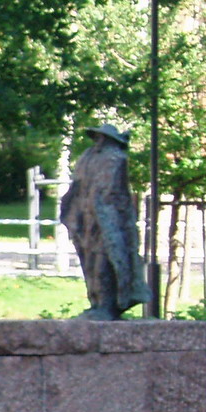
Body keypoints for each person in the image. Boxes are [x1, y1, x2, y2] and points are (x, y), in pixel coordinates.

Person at [60, 122, 149, 320]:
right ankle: (96, 303)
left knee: (105, 261)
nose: (98, 140)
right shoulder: (87, 157)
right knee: (89, 262)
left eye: (101, 137)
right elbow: (78, 186)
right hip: (86, 218)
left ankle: (108, 305)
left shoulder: (115, 158)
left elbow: (109, 192)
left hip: (108, 220)